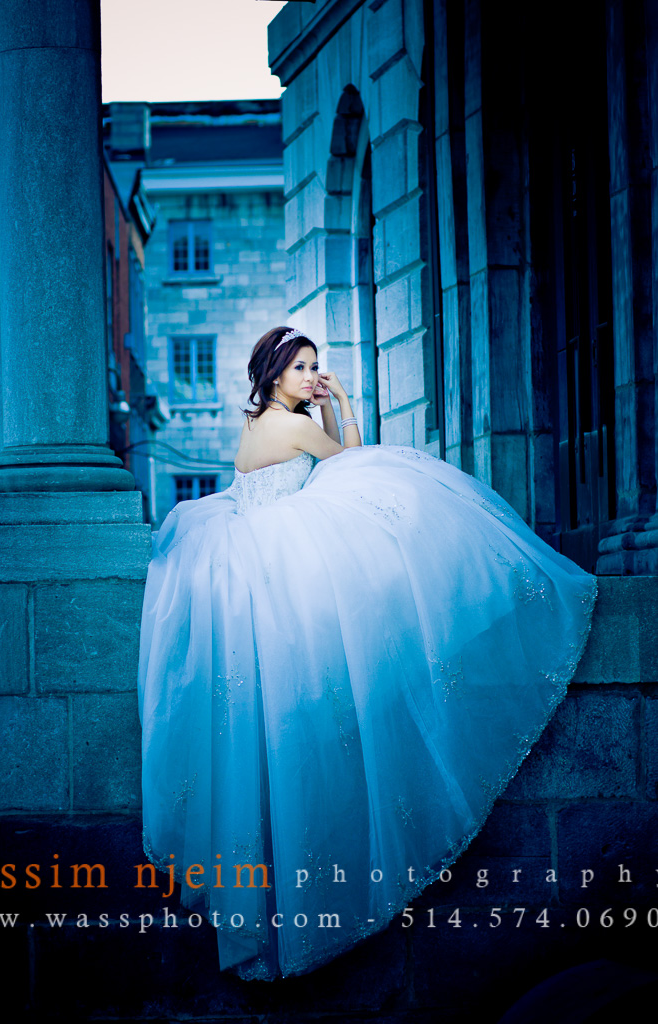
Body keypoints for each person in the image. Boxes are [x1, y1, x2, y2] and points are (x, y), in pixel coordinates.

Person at [137, 324, 597, 982]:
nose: (309, 376)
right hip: (282, 564)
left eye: (315, 366)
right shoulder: (290, 425)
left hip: (257, 558)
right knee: (395, 487)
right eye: (299, 367)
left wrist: (321, 401)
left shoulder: (259, 424)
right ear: (270, 374)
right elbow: (348, 460)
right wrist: (343, 403)